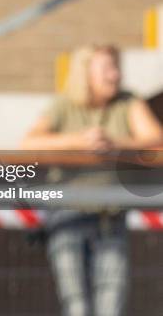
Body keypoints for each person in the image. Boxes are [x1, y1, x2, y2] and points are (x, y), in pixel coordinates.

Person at [21, 44, 163, 316]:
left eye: (116, 68)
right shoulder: (63, 105)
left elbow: (156, 142)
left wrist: (115, 144)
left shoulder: (128, 102)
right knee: (76, 304)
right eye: (107, 68)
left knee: (111, 301)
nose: (114, 75)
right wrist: (78, 141)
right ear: (85, 73)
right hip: (67, 215)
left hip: (110, 215)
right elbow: (29, 143)